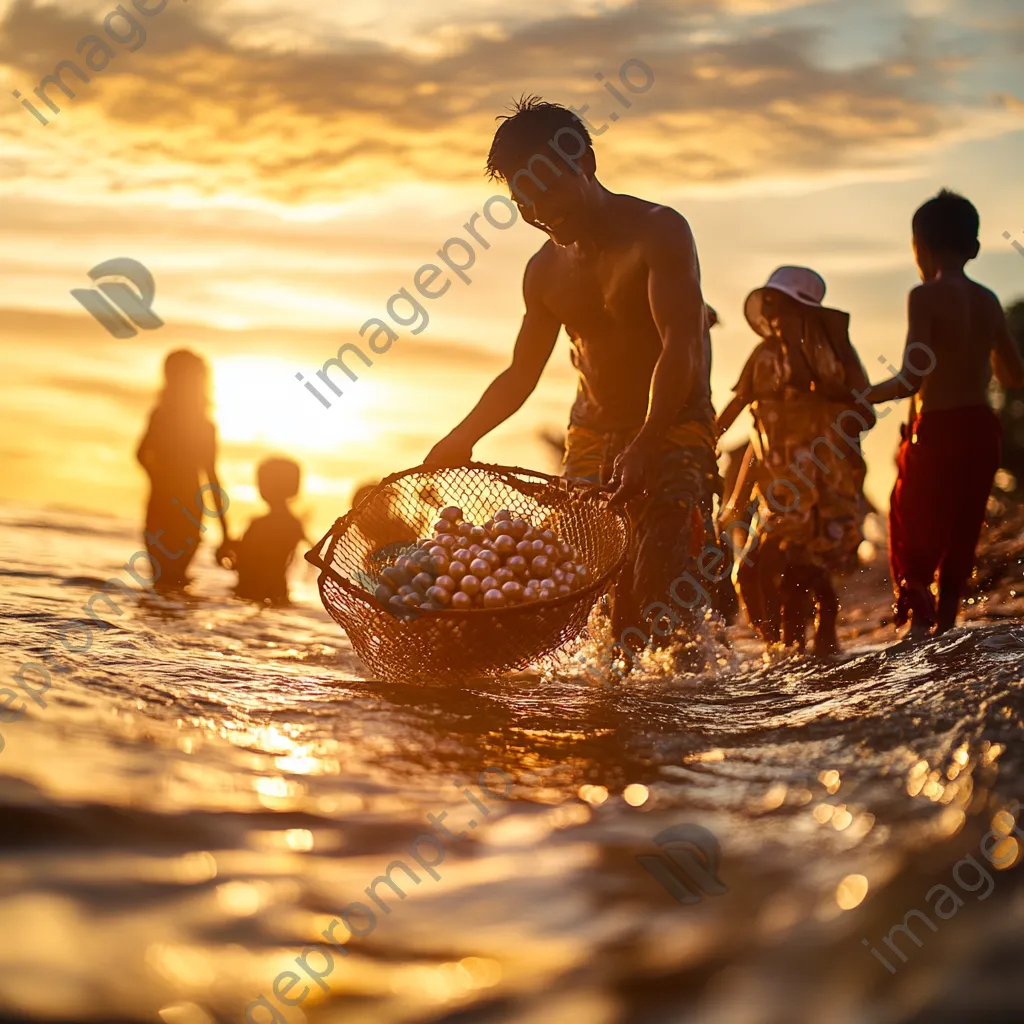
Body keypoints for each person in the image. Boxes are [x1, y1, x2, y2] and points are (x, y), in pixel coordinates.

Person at [423, 97, 720, 668]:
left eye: (548, 193)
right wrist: (460, 439)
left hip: (674, 424)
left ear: (583, 160)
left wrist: (649, 439)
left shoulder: (659, 230)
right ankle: (605, 718)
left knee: (660, 577)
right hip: (589, 435)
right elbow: (520, 374)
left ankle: (679, 712)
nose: (539, 212)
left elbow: (683, 344)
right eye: (523, 201)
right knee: (589, 591)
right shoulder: (544, 270)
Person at [864, 190, 1024, 638]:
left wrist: (860, 395)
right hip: (981, 431)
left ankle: (919, 635)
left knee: (911, 528)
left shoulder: (925, 296)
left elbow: (912, 378)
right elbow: (1013, 375)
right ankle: (947, 628)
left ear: (920, 249)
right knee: (961, 535)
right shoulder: (989, 300)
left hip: (936, 430)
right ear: (973, 248)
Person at [716, 267, 875, 655]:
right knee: (748, 572)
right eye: (769, 305)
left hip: (821, 489)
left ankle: (800, 651)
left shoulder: (833, 355)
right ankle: (789, 643)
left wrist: (827, 388)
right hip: (777, 490)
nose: (774, 315)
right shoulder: (763, 356)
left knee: (793, 574)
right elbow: (747, 417)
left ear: (807, 311)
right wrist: (706, 440)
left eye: (782, 306)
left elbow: (865, 412)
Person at [137, 349, 229, 588]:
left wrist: (158, 479)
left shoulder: (163, 416)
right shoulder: (199, 425)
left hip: (166, 504)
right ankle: (172, 622)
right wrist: (226, 533)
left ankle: (158, 622)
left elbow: (140, 455)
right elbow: (212, 479)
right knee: (174, 579)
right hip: (183, 506)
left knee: (162, 580)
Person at [219, 457, 307, 605]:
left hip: (250, 591)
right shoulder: (294, 524)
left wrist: (228, 550)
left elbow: (247, 561)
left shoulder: (259, 524)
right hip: (279, 592)